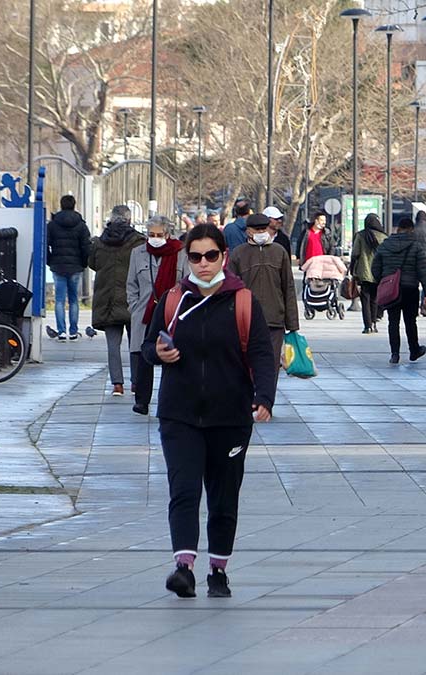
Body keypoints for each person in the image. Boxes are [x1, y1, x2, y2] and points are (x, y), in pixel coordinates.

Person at [143, 224, 276, 598]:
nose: (203, 264)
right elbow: (148, 346)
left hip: (230, 416)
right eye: (196, 257)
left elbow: (262, 354)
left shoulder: (243, 300)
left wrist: (264, 397)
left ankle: (218, 570)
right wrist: (159, 353)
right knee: (183, 491)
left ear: (224, 257)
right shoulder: (173, 299)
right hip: (179, 414)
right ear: (188, 258)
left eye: (210, 256)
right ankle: (183, 568)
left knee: (223, 497)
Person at [227, 213, 299, 391]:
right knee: (247, 361)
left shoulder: (279, 252)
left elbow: (288, 287)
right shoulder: (238, 254)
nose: (261, 232)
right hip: (246, 319)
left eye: (263, 229)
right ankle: (249, 397)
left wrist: (293, 323)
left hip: (275, 319)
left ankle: (266, 400)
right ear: (248, 231)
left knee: (271, 363)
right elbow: (229, 289)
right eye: (257, 229)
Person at [126, 215, 189, 415]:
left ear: (168, 234)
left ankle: (172, 400)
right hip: (145, 312)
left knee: (172, 356)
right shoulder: (138, 253)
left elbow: (187, 282)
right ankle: (141, 401)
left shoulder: (180, 253)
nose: (155, 238)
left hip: (172, 312)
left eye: (159, 234)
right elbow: (131, 284)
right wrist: (134, 307)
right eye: (151, 234)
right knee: (144, 357)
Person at [89, 205, 145, 397]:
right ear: (129, 220)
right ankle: (136, 382)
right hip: (132, 299)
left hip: (108, 300)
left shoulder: (99, 242)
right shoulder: (138, 242)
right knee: (135, 343)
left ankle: (117, 385)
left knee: (113, 344)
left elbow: (92, 264)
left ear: (111, 219)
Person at [373, 217, 426, 364]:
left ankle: (395, 353)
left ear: (397, 229)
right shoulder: (416, 246)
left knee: (393, 321)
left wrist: (383, 279)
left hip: (391, 289)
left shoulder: (385, 245)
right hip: (410, 288)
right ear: (411, 230)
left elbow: (375, 267)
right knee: (410, 321)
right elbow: (423, 270)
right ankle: (414, 350)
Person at [46, 194, 91, 341]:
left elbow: (45, 244)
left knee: (59, 300)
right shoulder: (81, 225)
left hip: (57, 265)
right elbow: (86, 247)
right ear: (74, 205)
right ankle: (73, 331)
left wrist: (49, 261)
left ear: (61, 205)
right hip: (76, 266)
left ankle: (61, 331)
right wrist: (84, 263)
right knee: (73, 300)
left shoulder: (52, 225)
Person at [350, 213, 388, 334]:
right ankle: (374, 323)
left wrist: (352, 269)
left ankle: (367, 326)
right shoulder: (383, 237)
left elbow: (355, 253)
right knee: (375, 298)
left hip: (364, 271)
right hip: (378, 272)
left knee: (365, 299)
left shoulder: (360, 236)